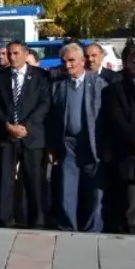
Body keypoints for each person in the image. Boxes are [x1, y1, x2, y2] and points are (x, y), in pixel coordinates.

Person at [0, 41, 50, 229]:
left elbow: (45, 103)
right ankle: (6, 218)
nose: (11, 57)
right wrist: (7, 125)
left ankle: (37, 219)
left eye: (16, 53)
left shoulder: (41, 76)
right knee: (5, 178)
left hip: (32, 135)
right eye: (9, 53)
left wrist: (26, 126)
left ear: (25, 54)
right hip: (7, 134)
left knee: (34, 179)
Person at [48, 43, 107, 232]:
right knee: (67, 189)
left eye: (72, 60)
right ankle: (68, 227)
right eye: (64, 61)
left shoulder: (99, 85)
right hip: (68, 145)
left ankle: (93, 229)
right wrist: (52, 146)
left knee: (95, 191)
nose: (67, 65)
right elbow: (51, 119)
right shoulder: (58, 87)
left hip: (92, 144)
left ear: (83, 61)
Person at [98, 47, 135, 235]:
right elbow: (116, 118)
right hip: (128, 151)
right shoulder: (116, 89)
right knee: (130, 203)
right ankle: (133, 236)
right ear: (128, 64)